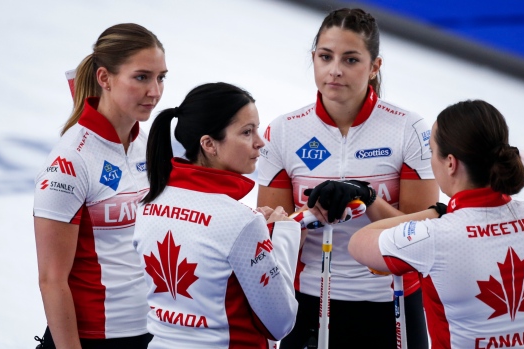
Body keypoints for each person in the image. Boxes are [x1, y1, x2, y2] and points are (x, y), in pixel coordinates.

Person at [257, 8, 437, 349]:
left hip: (390, 302)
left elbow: (423, 235)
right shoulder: (283, 131)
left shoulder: (407, 129)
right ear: (314, 59)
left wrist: (367, 198)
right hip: (308, 300)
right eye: (325, 57)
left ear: (374, 68)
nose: (335, 70)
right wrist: (311, 215)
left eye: (351, 59)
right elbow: (271, 231)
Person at [348, 100, 524, 349]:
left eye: (431, 151)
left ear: (450, 163)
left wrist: (436, 213)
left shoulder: (437, 235)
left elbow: (358, 243)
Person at [132, 82, 303, 349]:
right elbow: (280, 323)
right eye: (247, 132)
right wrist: (283, 235)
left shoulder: (147, 202)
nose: (261, 142)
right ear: (209, 144)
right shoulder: (241, 221)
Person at [33, 23, 167, 349]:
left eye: (161, 77)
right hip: (93, 337)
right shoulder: (70, 161)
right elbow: (52, 280)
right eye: (142, 77)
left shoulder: (144, 144)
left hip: (149, 330)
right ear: (105, 78)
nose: (155, 91)